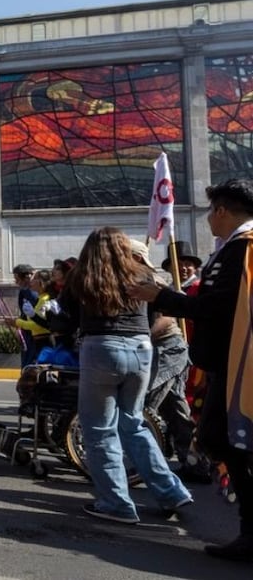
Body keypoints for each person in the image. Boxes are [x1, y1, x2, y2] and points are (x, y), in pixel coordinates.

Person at [129, 179, 253, 562]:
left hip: (238, 369)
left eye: (210, 212)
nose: (209, 220)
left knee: (223, 439)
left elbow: (217, 308)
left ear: (220, 210)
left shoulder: (242, 250)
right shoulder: (232, 248)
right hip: (227, 367)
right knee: (220, 439)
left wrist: (161, 297)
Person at [53, 227, 191, 525]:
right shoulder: (142, 273)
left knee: (100, 430)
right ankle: (171, 492)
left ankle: (116, 503)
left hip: (101, 347)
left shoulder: (82, 276)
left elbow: (66, 320)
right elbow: (160, 311)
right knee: (134, 423)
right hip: (142, 348)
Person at [127, 239, 203, 483]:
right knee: (175, 409)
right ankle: (194, 464)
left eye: (187, 264)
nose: (182, 268)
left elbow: (166, 321)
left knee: (144, 403)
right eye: (177, 264)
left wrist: (139, 337)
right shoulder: (144, 281)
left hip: (169, 350)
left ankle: (149, 468)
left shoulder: (152, 284)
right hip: (163, 350)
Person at [12, 264, 38, 367]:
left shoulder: (32, 292)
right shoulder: (24, 292)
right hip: (26, 333)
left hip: (35, 336)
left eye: (17, 279)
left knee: (31, 365)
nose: (16, 282)